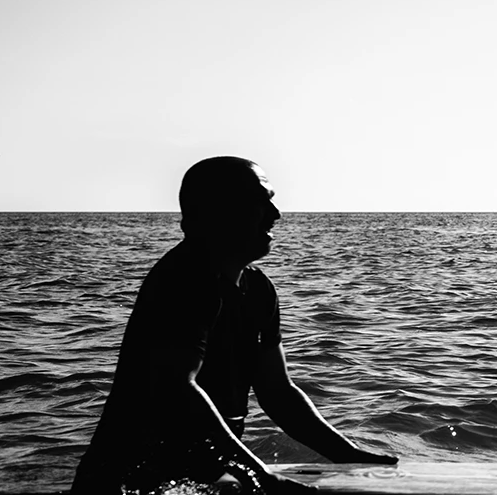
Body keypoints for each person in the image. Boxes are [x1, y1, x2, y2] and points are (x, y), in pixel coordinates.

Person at [72, 157, 396, 495]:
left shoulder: (258, 290)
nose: (275, 214)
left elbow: (277, 392)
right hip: (130, 480)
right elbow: (175, 388)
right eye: (260, 202)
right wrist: (261, 475)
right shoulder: (184, 280)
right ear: (218, 211)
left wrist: (347, 455)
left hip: (202, 473)